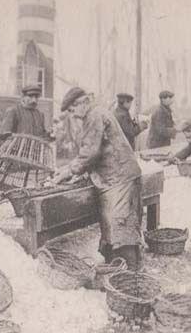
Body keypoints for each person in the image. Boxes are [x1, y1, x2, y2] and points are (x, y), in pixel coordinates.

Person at [51, 87, 144, 271]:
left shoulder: (94, 116)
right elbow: (92, 150)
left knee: (121, 228)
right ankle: (115, 270)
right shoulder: (96, 113)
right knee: (111, 227)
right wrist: (68, 168)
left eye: (72, 110)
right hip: (112, 179)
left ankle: (131, 276)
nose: (74, 115)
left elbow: (90, 153)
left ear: (83, 102)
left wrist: (68, 171)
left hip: (119, 178)